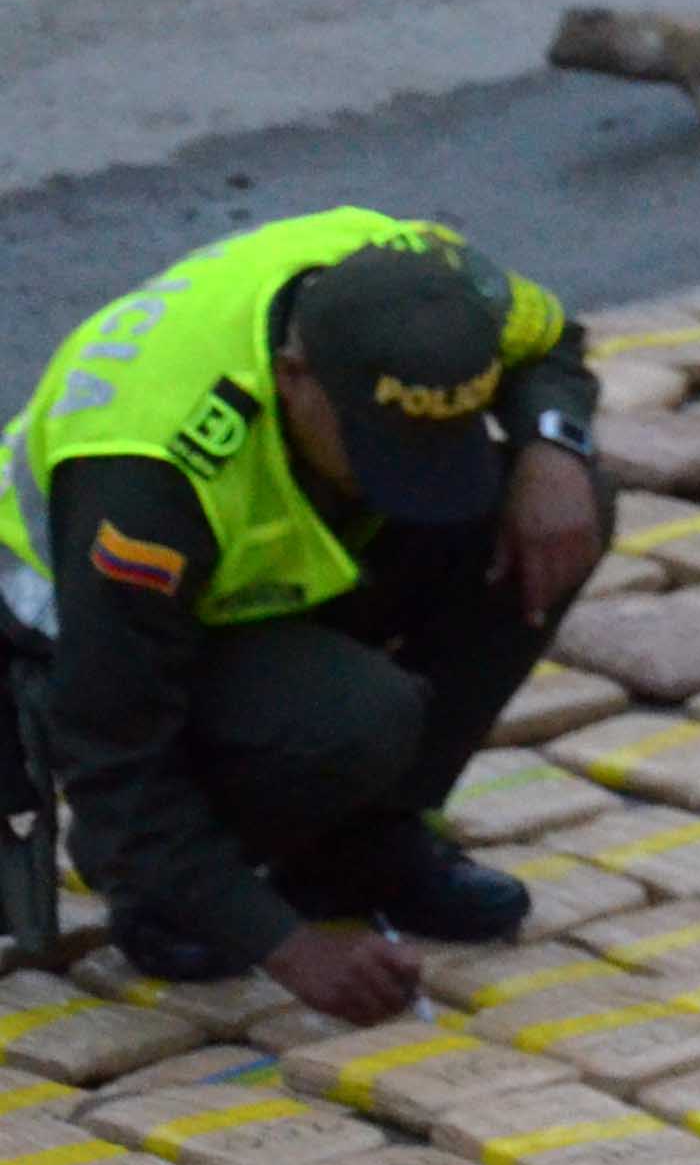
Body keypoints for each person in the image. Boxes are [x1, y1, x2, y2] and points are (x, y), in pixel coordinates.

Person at [1, 214, 604, 1016]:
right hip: (103, 625)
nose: (407, 477)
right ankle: (173, 894)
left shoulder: (432, 281)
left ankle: (360, 849)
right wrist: (284, 947)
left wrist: (555, 448)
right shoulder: (148, 480)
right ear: (295, 377)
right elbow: (110, 749)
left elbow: (552, 340)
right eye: (382, 449)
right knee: (350, 718)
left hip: (281, 557)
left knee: (565, 512)